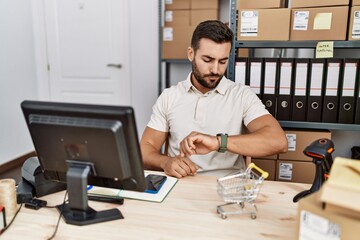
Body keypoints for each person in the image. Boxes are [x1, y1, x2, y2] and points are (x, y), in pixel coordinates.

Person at [140, 20, 287, 178]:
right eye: (208, 60)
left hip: (227, 189)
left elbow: (278, 141)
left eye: (222, 61)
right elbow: (145, 149)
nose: (215, 70)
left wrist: (218, 142)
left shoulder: (242, 95)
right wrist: (165, 162)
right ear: (191, 54)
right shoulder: (170, 96)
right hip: (180, 186)